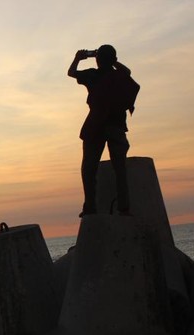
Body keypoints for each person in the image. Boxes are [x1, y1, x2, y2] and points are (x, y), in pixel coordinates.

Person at [68, 44, 139, 217]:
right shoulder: (119, 75)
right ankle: (124, 208)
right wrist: (113, 61)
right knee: (119, 168)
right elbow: (128, 72)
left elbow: (71, 72)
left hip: (96, 127)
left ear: (98, 59)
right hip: (115, 127)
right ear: (113, 59)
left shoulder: (93, 74)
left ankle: (90, 208)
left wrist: (78, 58)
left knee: (89, 169)